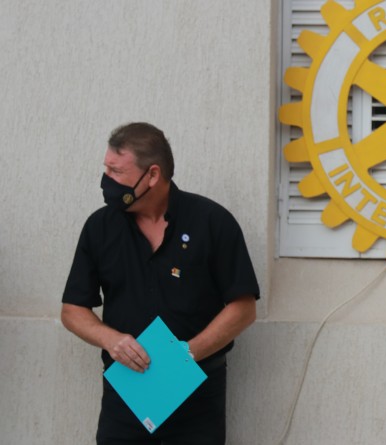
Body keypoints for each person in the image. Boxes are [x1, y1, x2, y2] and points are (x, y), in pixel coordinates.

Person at [61, 122, 260, 445]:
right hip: (126, 395)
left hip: (197, 397)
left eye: (116, 171)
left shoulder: (212, 221)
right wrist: (111, 340)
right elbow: (72, 309)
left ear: (152, 175)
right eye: (106, 169)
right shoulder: (99, 227)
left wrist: (187, 354)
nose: (106, 180)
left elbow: (244, 308)